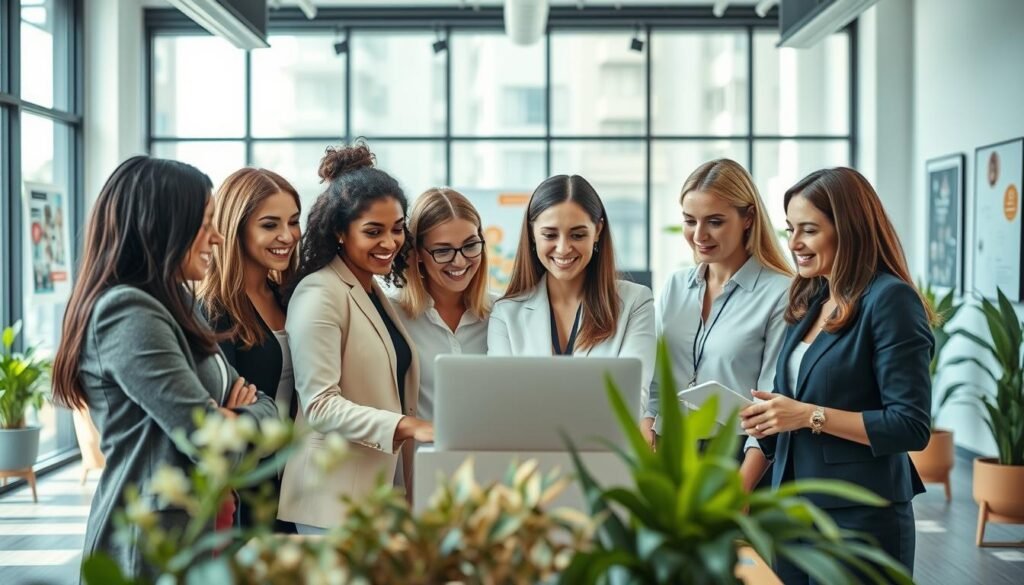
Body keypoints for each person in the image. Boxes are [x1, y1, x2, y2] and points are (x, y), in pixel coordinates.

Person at [51, 156, 277, 580]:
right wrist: (229, 413)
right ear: (163, 225)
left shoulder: (179, 302)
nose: (216, 237)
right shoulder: (127, 311)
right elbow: (208, 440)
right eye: (205, 222)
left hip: (207, 529)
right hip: (149, 546)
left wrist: (235, 413)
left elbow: (261, 402)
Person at [740, 167, 933, 583]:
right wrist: (765, 417)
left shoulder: (890, 300)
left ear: (849, 229)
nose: (794, 244)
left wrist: (808, 415)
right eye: (790, 228)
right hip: (793, 512)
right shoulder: (812, 298)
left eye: (808, 230)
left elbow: (910, 426)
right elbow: (789, 401)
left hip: (859, 519)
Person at [277, 143, 432, 534]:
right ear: (340, 233)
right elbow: (321, 405)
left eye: (397, 229)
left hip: (377, 496)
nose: (390, 243)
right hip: (331, 500)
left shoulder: (371, 291)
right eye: (373, 232)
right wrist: (409, 426)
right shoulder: (319, 292)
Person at [640, 159, 793, 490]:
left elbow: (771, 401)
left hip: (738, 458)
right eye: (689, 221)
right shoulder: (676, 286)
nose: (699, 235)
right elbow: (655, 381)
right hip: (671, 452)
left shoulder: (781, 292)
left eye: (715, 222)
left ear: (748, 218)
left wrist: (743, 485)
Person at [197, 167, 302, 532]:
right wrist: (238, 414)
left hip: (296, 475)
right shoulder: (215, 310)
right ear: (235, 229)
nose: (287, 236)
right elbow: (220, 412)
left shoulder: (290, 299)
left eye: (293, 221)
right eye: (270, 224)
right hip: (247, 485)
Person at [488, 174, 656, 404]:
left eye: (577, 235)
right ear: (532, 233)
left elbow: (633, 399)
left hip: (605, 440)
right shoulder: (505, 313)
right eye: (550, 234)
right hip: (527, 441)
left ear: (597, 231)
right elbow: (503, 401)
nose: (563, 248)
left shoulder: (636, 302)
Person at [395, 187, 493, 422]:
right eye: (443, 250)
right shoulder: (392, 314)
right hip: (419, 457)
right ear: (417, 253)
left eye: (470, 245)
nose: (459, 261)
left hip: (490, 456)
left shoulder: (503, 313)